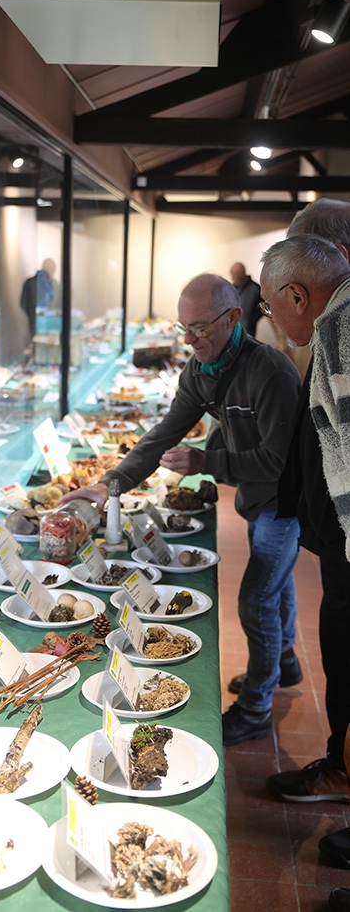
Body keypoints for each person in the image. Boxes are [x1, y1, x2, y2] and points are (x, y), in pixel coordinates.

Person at [61, 272, 302, 745]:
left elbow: (277, 463)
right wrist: (113, 483)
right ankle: (282, 663)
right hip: (256, 498)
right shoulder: (199, 371)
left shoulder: (269, 372)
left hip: (286, 500)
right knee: (276, 580)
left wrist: (206, 461)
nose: (190, 340)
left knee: (257, 599)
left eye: (200, 328)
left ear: (234, 318)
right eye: (183, 328)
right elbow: (164, 434)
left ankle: (256, 706)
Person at [259, 225, 350, 813]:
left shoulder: (341, 332)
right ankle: (341, 769)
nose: (270, 319)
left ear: (297, 296)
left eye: (270, 306)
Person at [229, 261, 262, 336]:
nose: (232, 278)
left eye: (234, 275)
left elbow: (261, 309)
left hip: (248, 332)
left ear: (241, 275)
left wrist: (252, 321)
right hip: (233, 332)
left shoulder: (255, 289)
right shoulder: (232, 289)